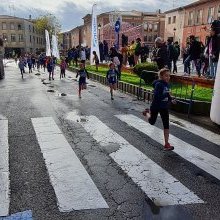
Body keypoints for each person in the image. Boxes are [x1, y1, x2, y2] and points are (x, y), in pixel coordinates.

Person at [143, 68, 176, 151]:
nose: (168, 77)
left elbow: (168, 95)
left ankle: (167, 144)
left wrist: (171, 99)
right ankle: (147, 113)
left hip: (164, 107)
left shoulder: (167, 85)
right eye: (166, 76)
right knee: (152, 122)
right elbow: (157, 97)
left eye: (169, 76)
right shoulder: (159, 85)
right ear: (161, 76)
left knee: (166, 124)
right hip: (156, 106)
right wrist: (167, 96)